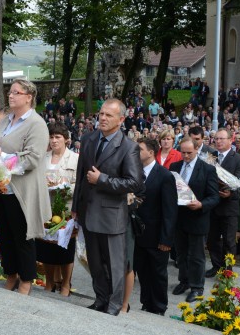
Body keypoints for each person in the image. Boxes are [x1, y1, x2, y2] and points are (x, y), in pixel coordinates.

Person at [71, 98, 144, 316]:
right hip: (88, 212)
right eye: (101, 113)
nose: (102, 118)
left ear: (121, 119)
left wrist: (102, 179)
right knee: (94, 263)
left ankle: (114, 306)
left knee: (115, 265)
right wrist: (76, 206)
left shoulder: (129, 148)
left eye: (108, 115)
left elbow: (134, 183)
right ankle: (100, 300)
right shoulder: (89, 139)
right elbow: (81, 176)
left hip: (112, 216)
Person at [0, 79, 51, 296]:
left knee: (23, 236)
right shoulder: (7, 120)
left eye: (16, 92)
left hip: (22, 190)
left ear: (29, 97)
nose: (11, 95)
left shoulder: (36, 123)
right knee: (5, 235)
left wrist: (3, 156)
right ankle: (11, 274)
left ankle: (26, 279)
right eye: (10, 92)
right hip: (2, 187)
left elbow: (33, 158)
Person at [169, 138, 219, 303]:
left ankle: (197, 287)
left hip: (198, 218)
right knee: (181, 254)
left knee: (196, 256)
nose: (185, 155)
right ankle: (184, 281)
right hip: (179, 218)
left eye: (189, 152)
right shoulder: (175, 167)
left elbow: (214, 197)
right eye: (183, 152)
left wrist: (201, 204)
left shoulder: (208, 169)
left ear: (197, 149)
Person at [134, 138, 177, 316]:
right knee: (142, 271)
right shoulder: (134, 172)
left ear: (151, 152)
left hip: (157, 236)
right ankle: (146, 302)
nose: (136, 152)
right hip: (138, 233)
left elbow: (170, 210)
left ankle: (159, 306)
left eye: (140, 149)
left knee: (158, 273)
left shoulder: (164, 176)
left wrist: (166, 239)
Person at [37, 122, 79, 297]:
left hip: (66, 209)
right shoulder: (44, 158)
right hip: (46, 208)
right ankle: (49, 282)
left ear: (66, 140)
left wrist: (66, 187)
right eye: (51, 137)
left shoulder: (75, 159)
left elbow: (80, 184)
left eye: (57, 137)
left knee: (65, 249)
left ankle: (66, 283)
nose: (54, 141)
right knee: (46, 248)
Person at [206, 128, 240, 277]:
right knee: (212, 240)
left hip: (229, 206)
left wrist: (230, 192)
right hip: (213, 205)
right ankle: (216, 266)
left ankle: (228, 270)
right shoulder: (210, 157)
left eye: (221, 139)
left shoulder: (239, 158)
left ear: (230, 140)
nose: (218, 141)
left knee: (229, 241)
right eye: (216, 139)